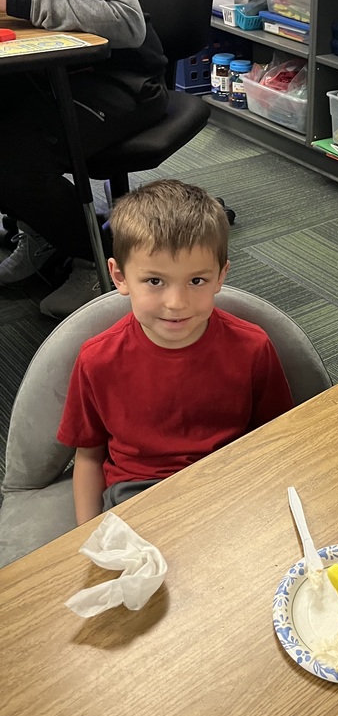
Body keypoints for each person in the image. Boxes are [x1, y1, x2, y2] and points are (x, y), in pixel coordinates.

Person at [0, 0, 168, 317]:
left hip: (120, 81)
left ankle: (94, 256)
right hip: (51, 72)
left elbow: (125, 18)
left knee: (9, 159)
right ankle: (44, 229)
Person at [57, 179, 294, 524]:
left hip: (229, 480)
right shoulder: (97, 359)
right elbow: (89, 456)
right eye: (155, 281)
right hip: (138, 494)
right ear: (119, 277)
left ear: (220, 277)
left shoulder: (253, 346)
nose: (176, 303)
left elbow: (276, 436)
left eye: (196, 281)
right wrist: (86, 534)